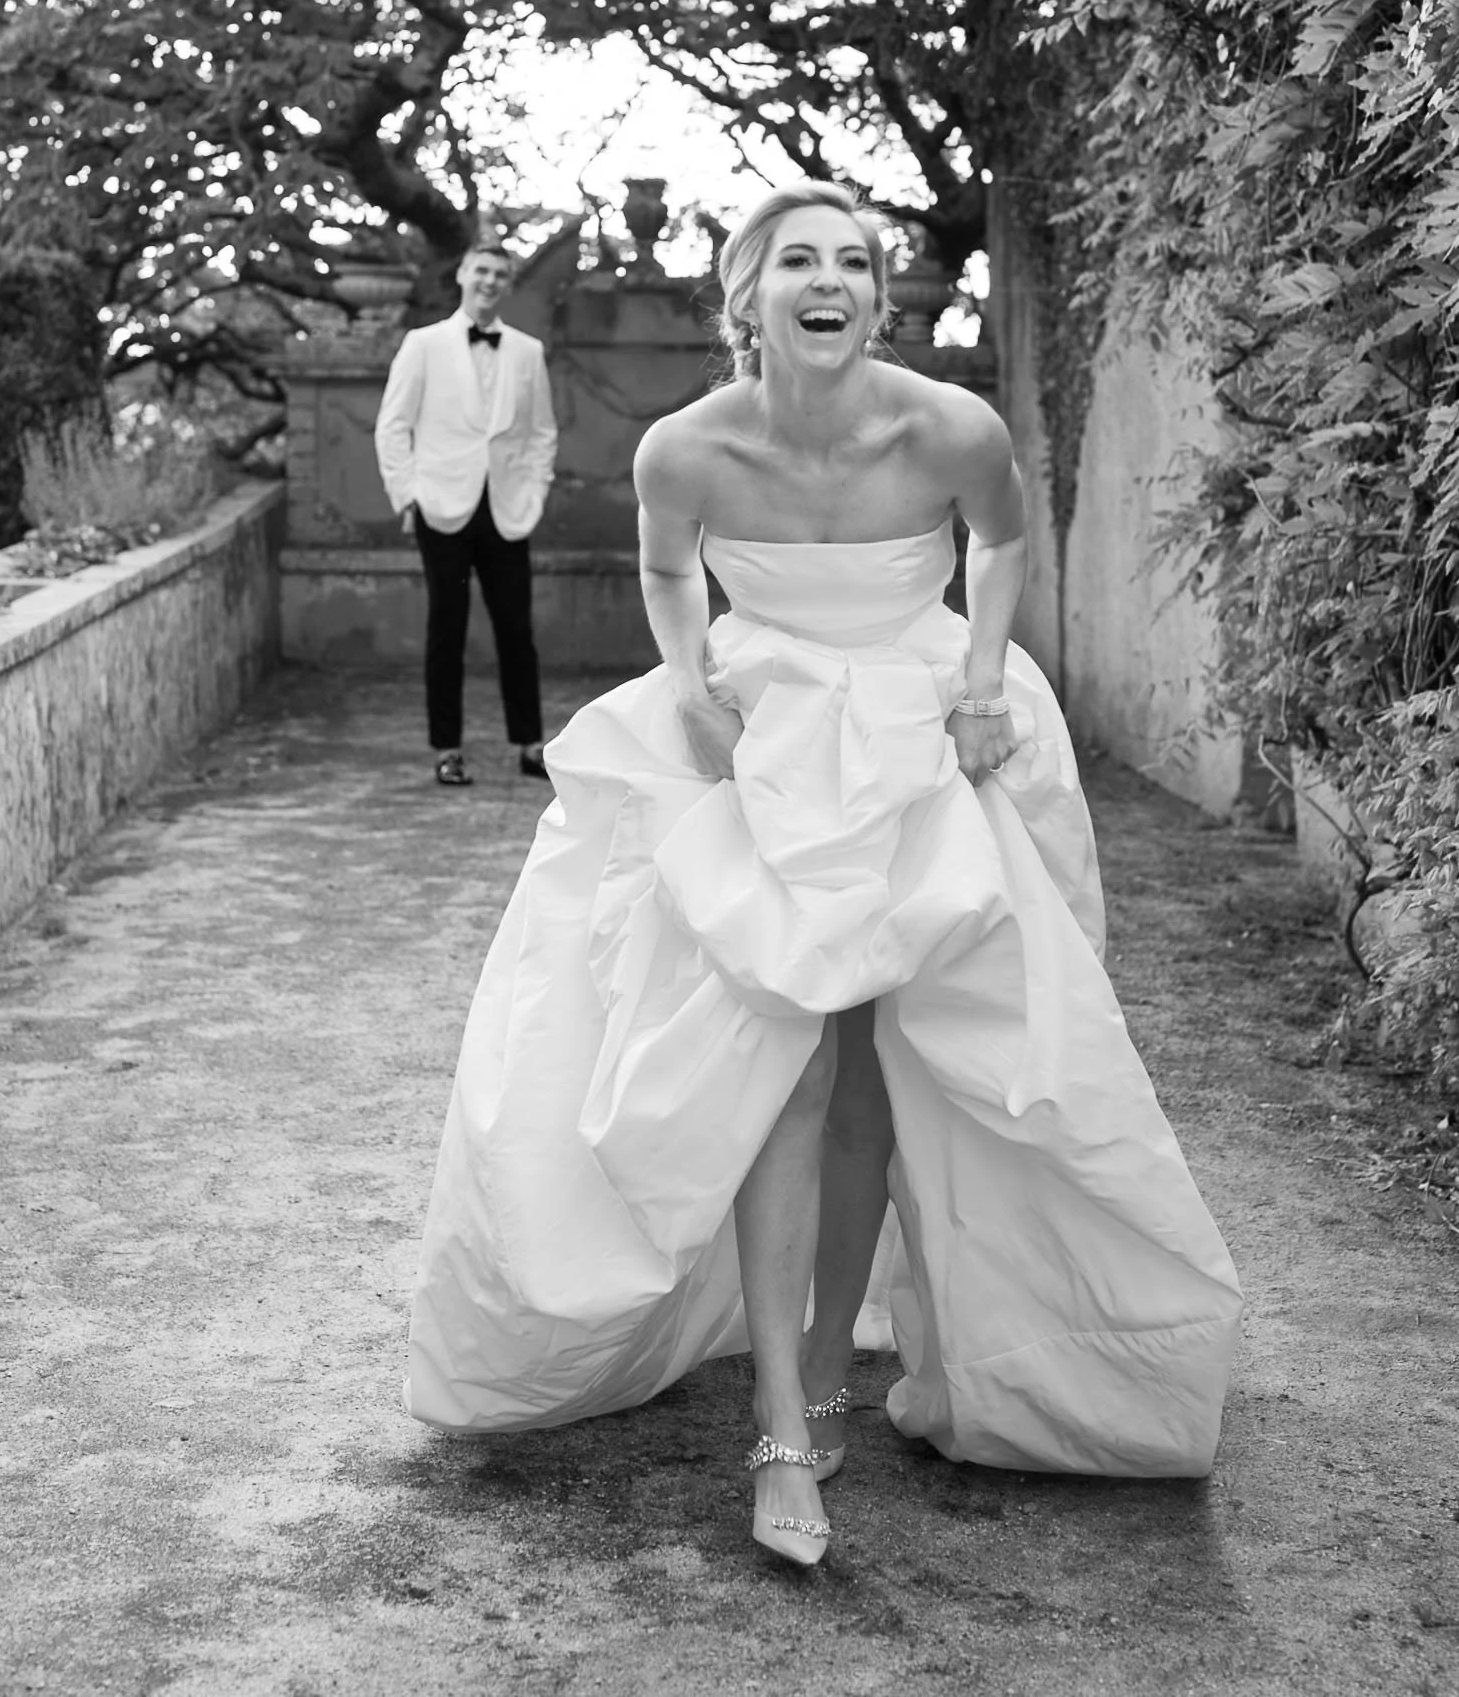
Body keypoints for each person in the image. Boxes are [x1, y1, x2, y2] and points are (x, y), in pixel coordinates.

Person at [405, 182, 1242, 1569]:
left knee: (862, 1063)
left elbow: (1002, 538)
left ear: (876, 297)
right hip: (765, 731)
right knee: (775, 1054)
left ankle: (833, 1361)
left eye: (852, 260)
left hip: (916, 726)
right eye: (799, 256)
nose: (830, 277)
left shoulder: (949, 425)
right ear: (749, 294)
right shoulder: (685, 449)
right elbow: (671, 575)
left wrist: (981, 681)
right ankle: (782, 1425)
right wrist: (689, 686)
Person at [374, 238, 557, 786]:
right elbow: (393, 425)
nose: (490, 281)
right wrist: (406, 495)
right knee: (445, 630)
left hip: (506, 508)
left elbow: (543, 432)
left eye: (500, 274)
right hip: (441, 505)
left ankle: (529, 744)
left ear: (507, 283)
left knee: (516, 631)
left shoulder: (528, 351)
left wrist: (534, 491)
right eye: (482, 270)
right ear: (462, 274)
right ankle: (446, 749)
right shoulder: (423, 344)